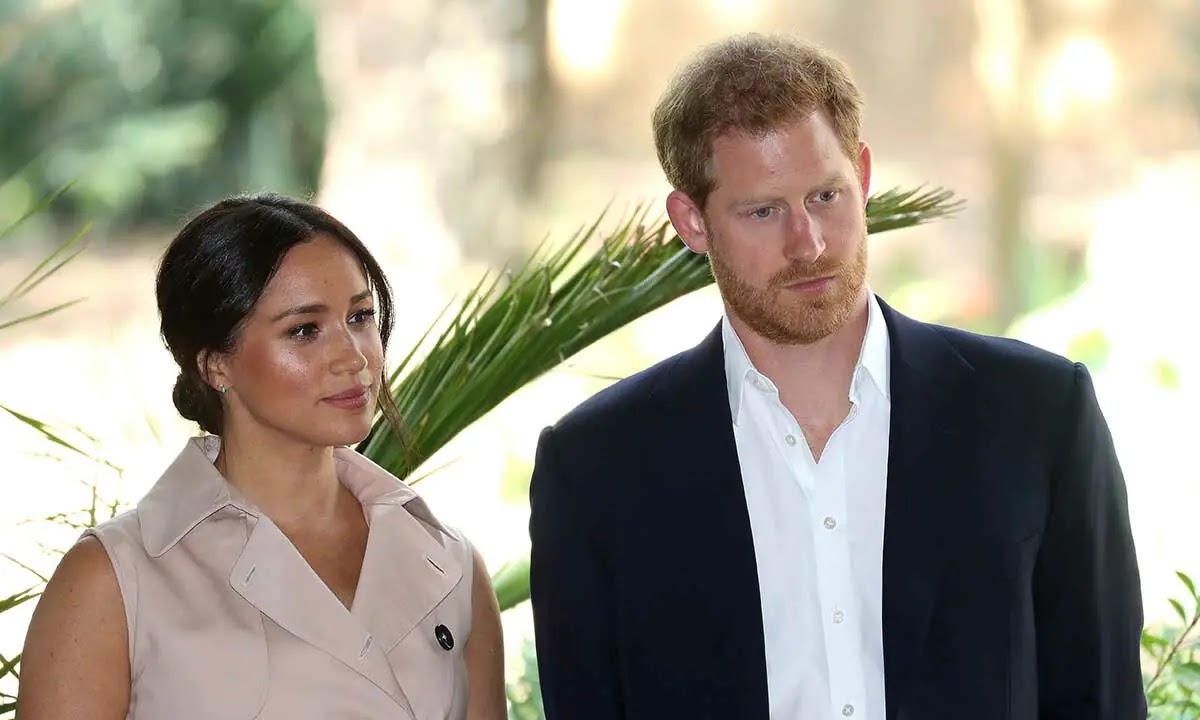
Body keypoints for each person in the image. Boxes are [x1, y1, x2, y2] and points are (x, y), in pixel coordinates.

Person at [528, 34, 1145, 720]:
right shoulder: (596, 469)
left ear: (864, 174)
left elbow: (1102, 700)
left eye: (826, 195)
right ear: (692, 222)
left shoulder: (1040, 416)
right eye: (764, 211)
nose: (809, 243)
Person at [19, 194, 506, 719]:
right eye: (304, 330)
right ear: (215, 364)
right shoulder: (113, 580)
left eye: (361, 316)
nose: (353, 357)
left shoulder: (450, 561)